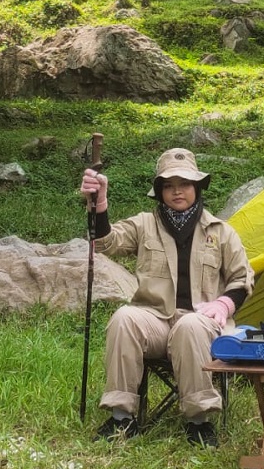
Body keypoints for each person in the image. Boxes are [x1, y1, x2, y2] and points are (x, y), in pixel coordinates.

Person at [79, 148, 254, 447]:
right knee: (124, 318)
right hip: (154, 320)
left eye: (184, 184)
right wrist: (100, 201)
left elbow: (243, 278)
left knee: (190, 326)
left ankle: (199, 422)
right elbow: (106, 242)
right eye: (169, 185)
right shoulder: (144, 224)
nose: (177, 191)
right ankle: (122, 418)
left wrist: (223, 304)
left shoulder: (221, 232)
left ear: (197, 187)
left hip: (202, 323)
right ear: (159, 191)